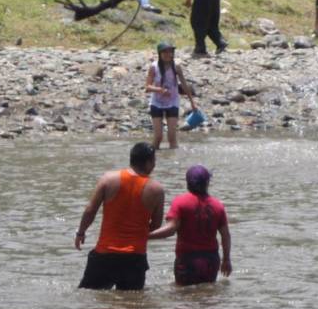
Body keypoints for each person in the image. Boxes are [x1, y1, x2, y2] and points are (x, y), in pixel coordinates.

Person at [75, 142, 165, 290]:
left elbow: (90, 210)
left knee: (90, 299)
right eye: (154, 161)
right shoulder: (156, 190)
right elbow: (156, 225)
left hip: (104, 255)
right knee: (132, 306)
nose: (154, 165)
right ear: (149, 163)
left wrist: (80, 232)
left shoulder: (108, 179)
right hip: (135, 258)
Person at [149, 165, 232, 286]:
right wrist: (226, 259)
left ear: (188, 183)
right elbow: (226, 236)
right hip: (211, 261)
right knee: (207, 297)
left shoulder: (180, 202)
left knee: (184, 298)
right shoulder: (218, 205)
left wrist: (146, 236)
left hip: (187, 260)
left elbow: (171, 229)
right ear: (207, 183)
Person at [145, 42, 198, 149]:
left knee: (172, 137)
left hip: (173, 102)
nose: (169, 54)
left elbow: (184, 85)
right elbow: (147, 87)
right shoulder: (154, 67)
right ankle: (151, 158)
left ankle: (174, 161)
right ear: (160, 53)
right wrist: (160, 90)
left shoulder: (176, 67)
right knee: (158, 137)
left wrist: (192, 102)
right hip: (156, 103)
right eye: (165, 52)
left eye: (170, 52)